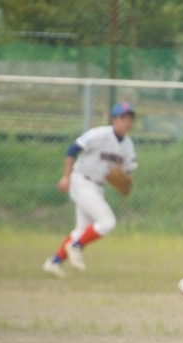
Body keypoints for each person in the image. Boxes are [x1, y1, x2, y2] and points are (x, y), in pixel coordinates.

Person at [42, 102, 138, 278]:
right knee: (108, 222)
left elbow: (128, 170)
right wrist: (67, 176)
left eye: (131, 118)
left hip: (98, 187)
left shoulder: (128, 145)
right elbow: (73, 150)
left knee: (81, 231)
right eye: (123, 118)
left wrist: (125, 178)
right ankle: (76, 246)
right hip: (82, 181)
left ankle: (54, 263)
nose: (128, 122)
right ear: (114, 119)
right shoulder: (100, 134)